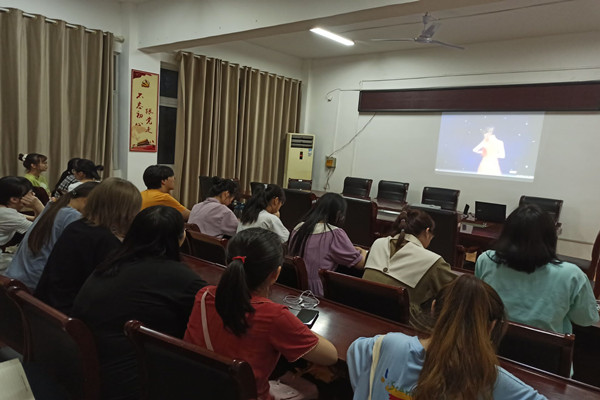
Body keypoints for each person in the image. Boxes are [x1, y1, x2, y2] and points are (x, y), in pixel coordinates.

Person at [184, 228, 337, 400]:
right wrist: (294, 324)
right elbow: (330, 356)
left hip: (199, 390)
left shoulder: (204, 295)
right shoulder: (275, 316)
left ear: (229, 263)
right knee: (314, 389)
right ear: (275, 274)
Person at [72, 206, 207, 400]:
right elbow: (212, 310)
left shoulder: (110, 264)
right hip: (132, 380)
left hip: (88, 370)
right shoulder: (178, 276)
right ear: (179, 238)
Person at [347, 275, 547, 400]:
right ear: (491, 326)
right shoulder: (490, 379)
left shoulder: (386, 345)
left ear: (434, 309)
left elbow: (358, 362)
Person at [475, 204, 598, 334]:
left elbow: (480, 302)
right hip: (547, 346)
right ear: (551, 238)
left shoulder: (486, 260)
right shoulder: (572, 275)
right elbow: (585, 319)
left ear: (505, 233)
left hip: (491, 342)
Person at [35, 177, 141, 314]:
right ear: (125, 211)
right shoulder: (105, 240)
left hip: (48, 306)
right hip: (70, 314)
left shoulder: (77, 226)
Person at [362, 207, 456, 331]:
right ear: (427, 232)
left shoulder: (378, 243)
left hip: (364, 312)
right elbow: (459, 291)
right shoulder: (432, 261)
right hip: (402, 326)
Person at [5, 182, 98, 290]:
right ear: (87, 201)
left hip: (14, 276)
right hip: (32, 284)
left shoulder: (54, 206)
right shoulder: (73, 216)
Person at [288, 193, 367, 296]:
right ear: (338, 214)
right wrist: (363, 252)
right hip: (318, 292)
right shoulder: (334, 233)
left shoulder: (298, 228)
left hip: (294, 287)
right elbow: (361, 264)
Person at [0, 176, 45, 270]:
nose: (33, 195)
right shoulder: (7, 214)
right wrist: (38, 205)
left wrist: (35, 207)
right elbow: (41, 231)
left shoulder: (4, 210)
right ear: (14, 199)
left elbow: (35, 220)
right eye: (30, 193)